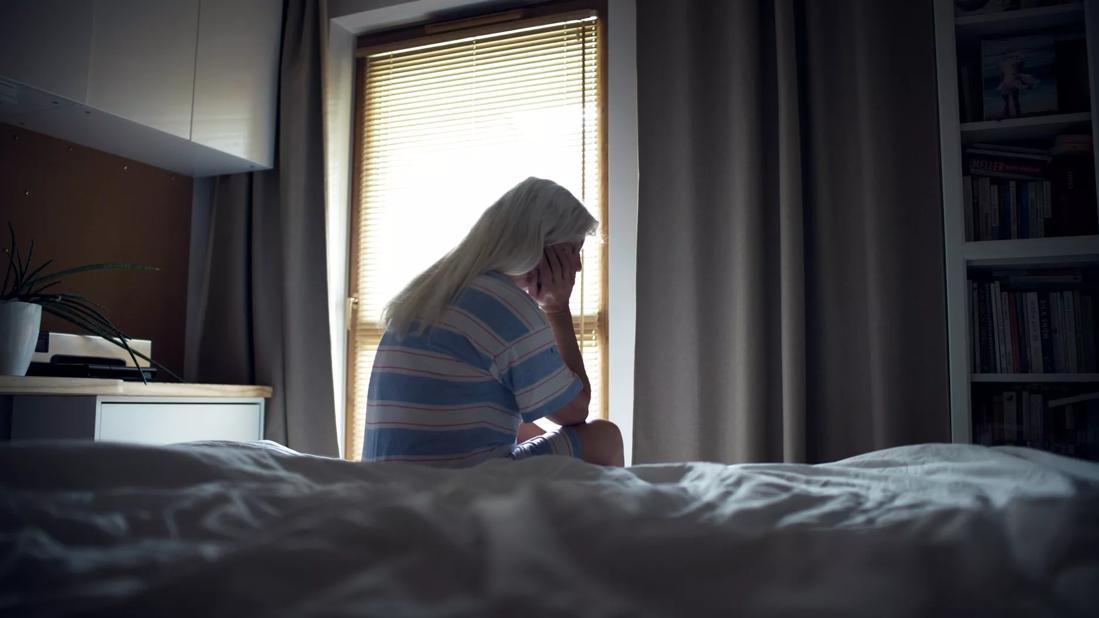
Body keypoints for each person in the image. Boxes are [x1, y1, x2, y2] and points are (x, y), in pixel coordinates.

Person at [362, 177, 624, 467]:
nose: (577, 266)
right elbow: (576, 410)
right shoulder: (507, 305)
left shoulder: (429, 292)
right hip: (453, 485)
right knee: (604, 436)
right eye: (573, 251)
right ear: (542, 245)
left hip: (388, 481)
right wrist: (558, 310)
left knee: (522, 427)